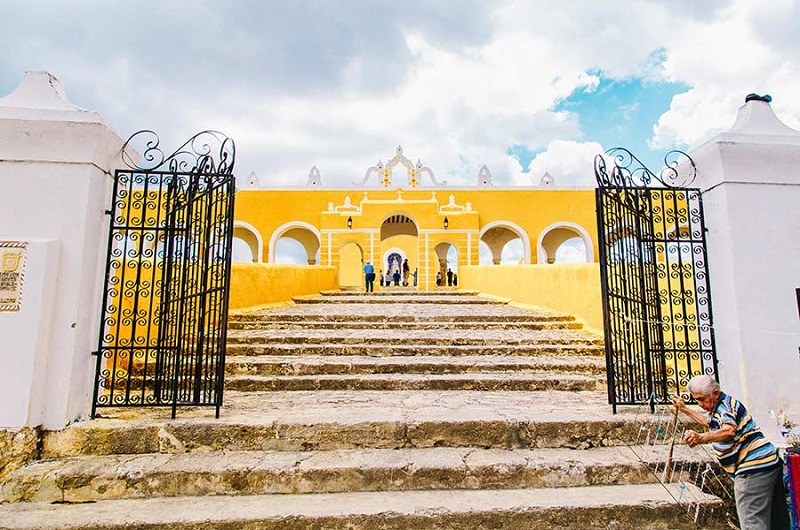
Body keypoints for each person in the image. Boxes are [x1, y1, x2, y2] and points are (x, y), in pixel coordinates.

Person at [672, 375, 789, 530]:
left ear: (716, 392)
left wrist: (701, 437)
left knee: (752, 521)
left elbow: (729, 430)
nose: (700, 404)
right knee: (776, 520)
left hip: (751, 468)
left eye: (703, 399)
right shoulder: (722, 405)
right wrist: (685, 409)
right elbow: (709, 422)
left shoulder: (724, 407)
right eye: (697, 400)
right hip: (768, 463)